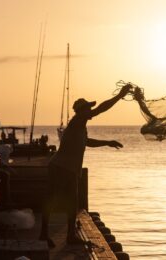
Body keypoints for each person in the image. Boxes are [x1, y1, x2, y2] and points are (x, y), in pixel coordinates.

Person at [39, 84, 132, 247]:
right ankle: (43, 234)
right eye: (88, 109)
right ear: (81, 111)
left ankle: (70, 236)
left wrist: (107, 142)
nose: (91, 112)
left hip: (70, 169)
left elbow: (87, 142)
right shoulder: (76, 121)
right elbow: (101, 109)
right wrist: (119, 96)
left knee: (72, 202)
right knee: (52, 200)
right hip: (60, 167)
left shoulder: (81, 127)